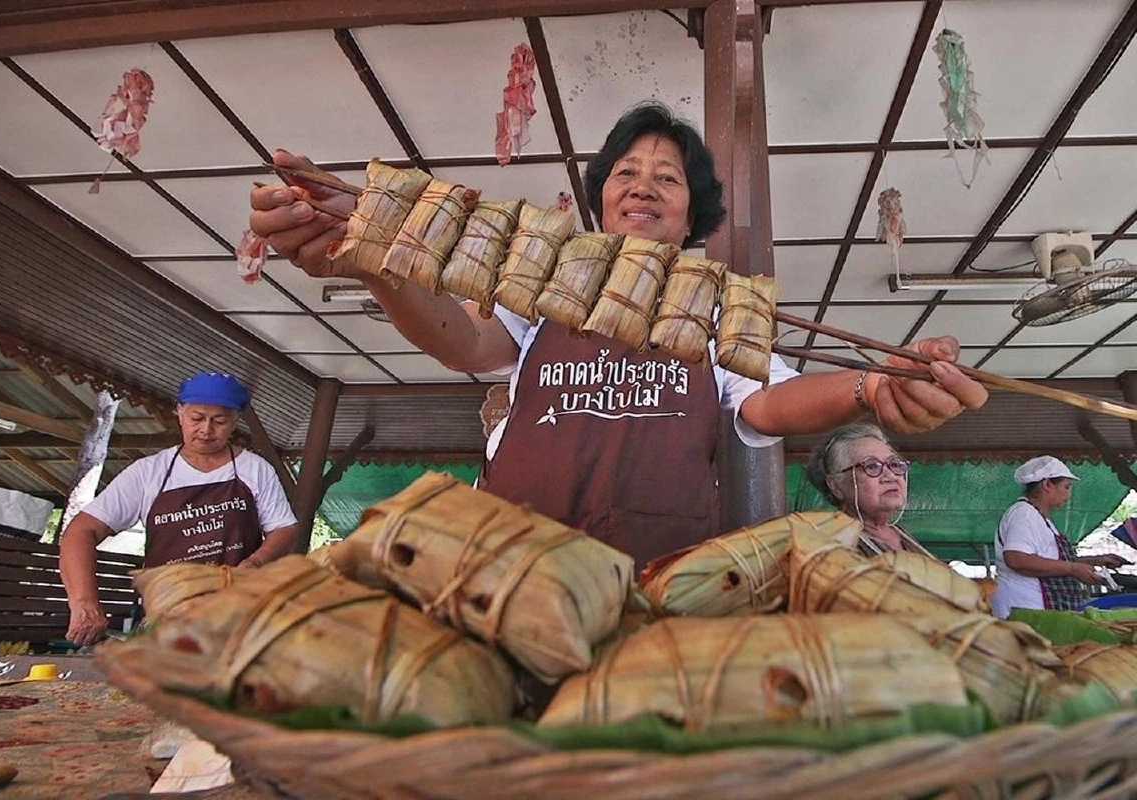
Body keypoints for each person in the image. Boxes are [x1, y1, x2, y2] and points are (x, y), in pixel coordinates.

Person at [249, 103, 987, 569]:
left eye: (668, 177)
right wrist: (375, 259)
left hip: (656, 571)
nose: (644, 184)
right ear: (602, 196)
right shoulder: (545, 284)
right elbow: (463, 345)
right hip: (512, 562)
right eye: (627, 171)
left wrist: (870, 386)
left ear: (692, 208)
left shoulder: (719, 306)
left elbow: (772, 403)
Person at [58, 373, 299, 645]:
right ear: (180, 414)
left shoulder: (254, 469)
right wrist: (84, 602)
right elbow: (81, 531)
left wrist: (256, 562)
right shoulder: (148, 473)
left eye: (219, 421)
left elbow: (284, 528)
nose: (206, 430)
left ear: (234, 422)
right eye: (197, 418)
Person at [991, 455, 1127, 618]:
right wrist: (1072, 569)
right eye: (1067, 487)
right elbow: (1017, 559)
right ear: (1047, 484)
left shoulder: (1040, 518)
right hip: (1024, 606)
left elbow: (1049, 559)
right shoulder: (1025, 514)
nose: (1068, 495)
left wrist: (1095, 560)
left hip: (1038, 607)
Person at [806, 423, 933, 557]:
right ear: (836, 486)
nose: (891, 476)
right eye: (872, 466)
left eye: (894, 464)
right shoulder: (833, 547)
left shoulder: (901, 534)